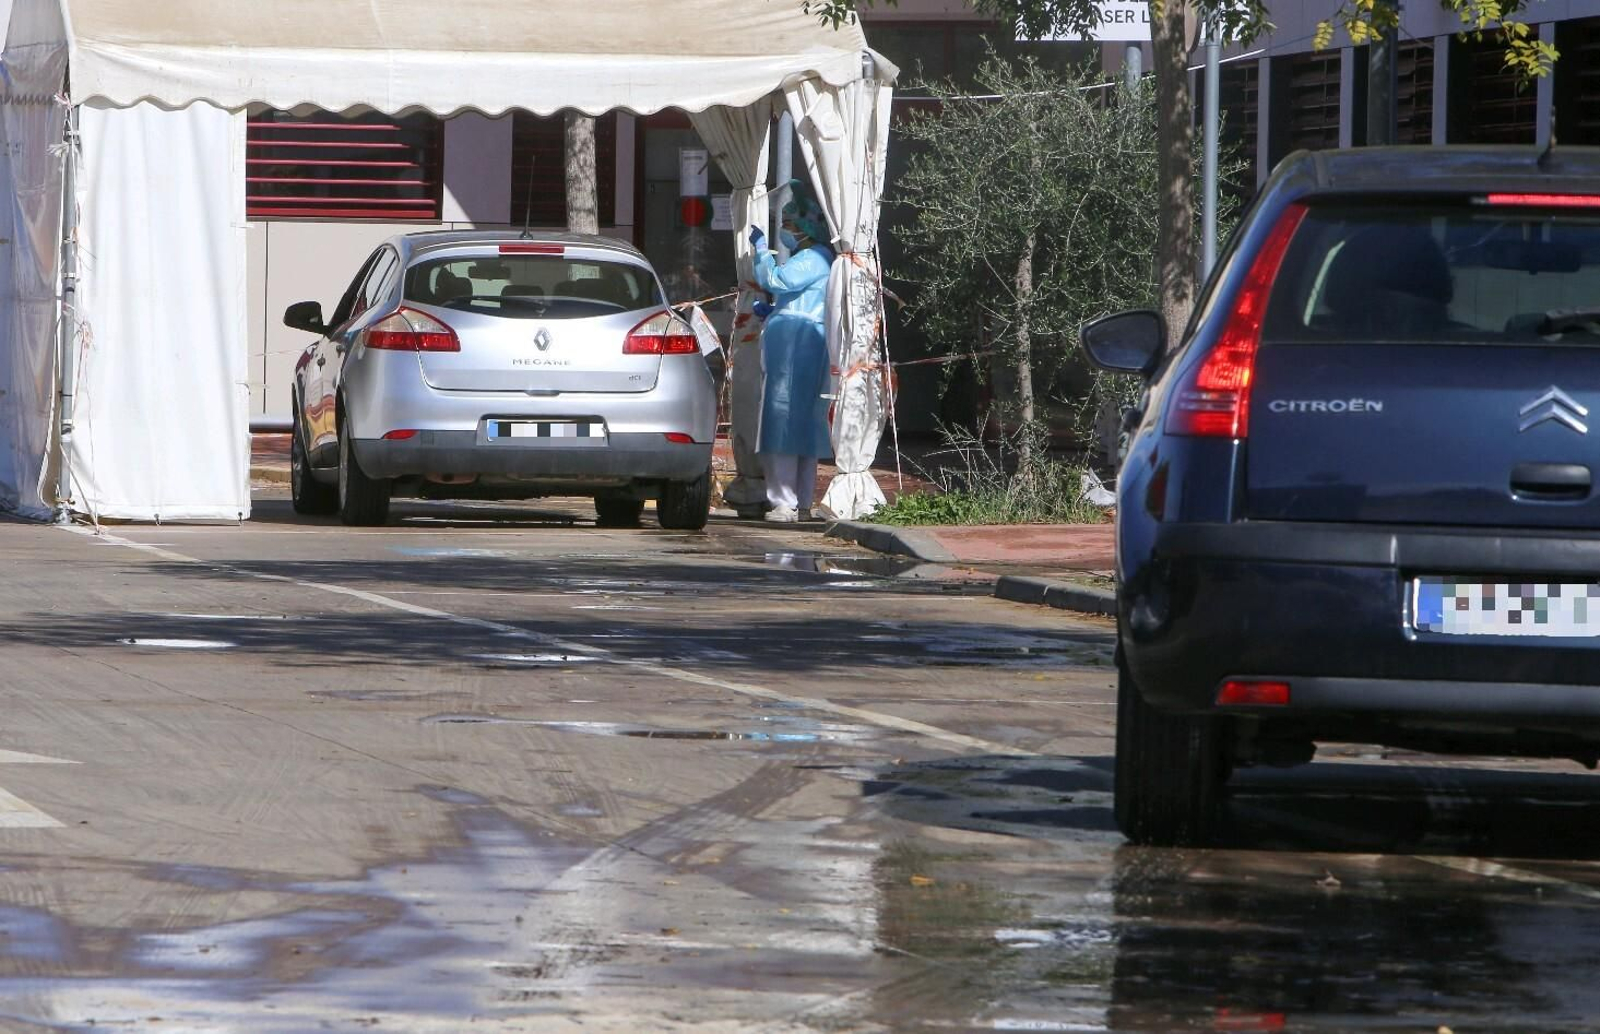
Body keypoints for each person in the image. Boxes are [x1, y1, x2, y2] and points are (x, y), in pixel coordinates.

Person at [748, 181, 835, 522]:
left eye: (787, 225)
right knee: (805, 426)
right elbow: (798, 297)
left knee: (782, 421)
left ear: (802, 227)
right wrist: (775, 312)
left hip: (794, 349)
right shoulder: (818, 259)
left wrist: (759, 251)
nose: (783, 232)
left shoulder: (812, 258)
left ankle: (783, 501)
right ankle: (801, 501)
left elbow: (778, 281)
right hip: (803, 343)